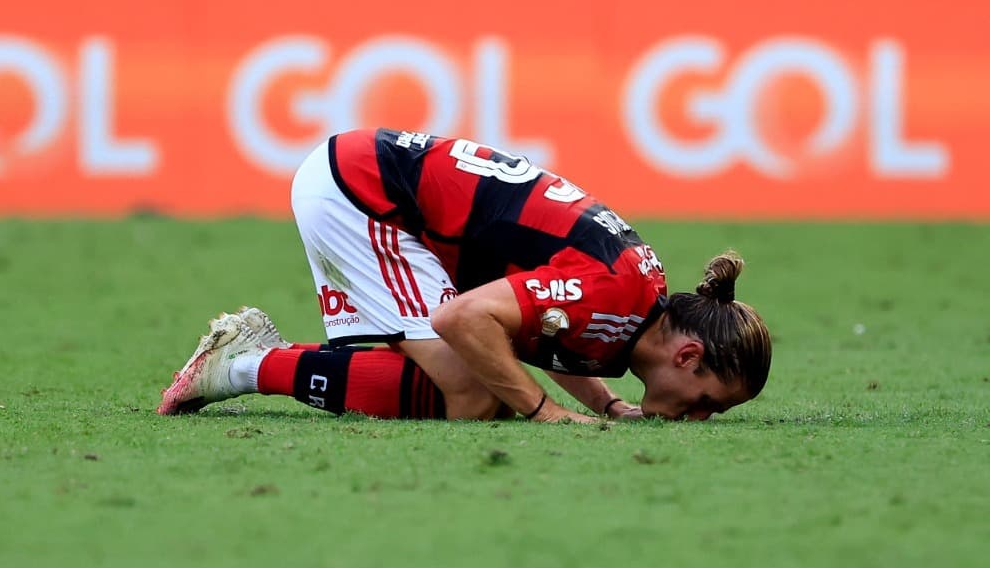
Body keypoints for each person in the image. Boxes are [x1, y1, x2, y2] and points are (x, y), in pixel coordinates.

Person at [157, 128, 771, 423]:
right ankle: (241, 365)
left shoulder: (635, 299)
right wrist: (542, 412)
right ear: (689, 357)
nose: (699, 419)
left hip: (377, 188)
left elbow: (551, 331)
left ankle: (247, 363)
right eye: (708, 405)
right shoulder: (617, 294)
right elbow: (464, 319)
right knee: (479, 392)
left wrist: (608, 405)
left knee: (478, 381)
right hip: (367, 193)